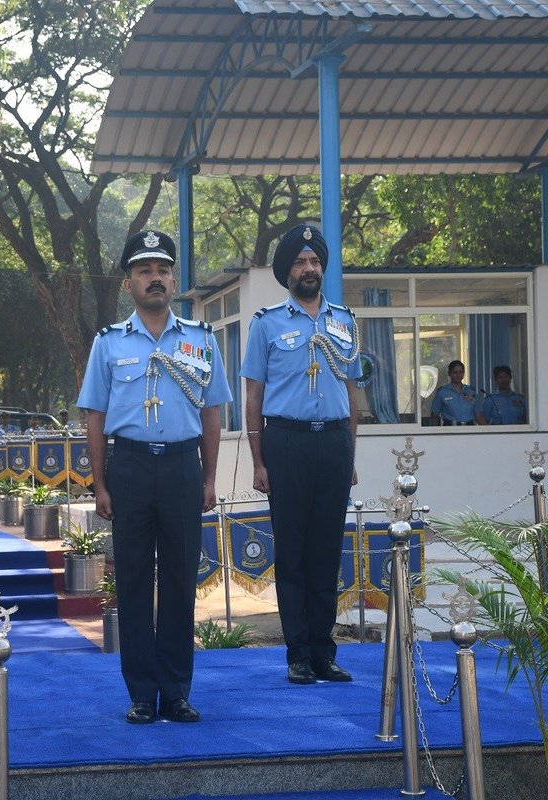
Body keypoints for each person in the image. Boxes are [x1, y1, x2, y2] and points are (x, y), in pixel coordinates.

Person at [76, 229, 231, 725]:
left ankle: (177, 691)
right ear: (128, 283)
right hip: (132, 468)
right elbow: (95, 416)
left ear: (173, 279)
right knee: (136, 583)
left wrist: (209, 480)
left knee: (182, 581)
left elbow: (213, 414)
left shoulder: (200, 340)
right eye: (144, 270)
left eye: (163, 269)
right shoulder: (108, 343)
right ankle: (142, 693)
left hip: (183, 466)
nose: (155, 277)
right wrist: (101, 484)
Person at [240, 223, 361, 686]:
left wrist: (349, 453)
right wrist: (258, 459)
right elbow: (254, 395)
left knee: (327, 550)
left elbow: (351, 394)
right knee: (291, 550)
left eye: (314, 262)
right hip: (285, 441)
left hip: (331, 442)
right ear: (286, 272)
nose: (308, 269)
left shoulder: (344, 321)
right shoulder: (267, 324)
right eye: (299, 262)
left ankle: (324, 652)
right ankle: (297, 654)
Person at [430, 360, 478, 426]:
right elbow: (434, 415)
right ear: (449, 374)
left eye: (461, 372)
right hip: (450, 429)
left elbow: (478, 414)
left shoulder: (471, 391)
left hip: (470, 428)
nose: (458, 375)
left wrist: (487, 430)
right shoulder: (442, 392)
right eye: (455, 372)